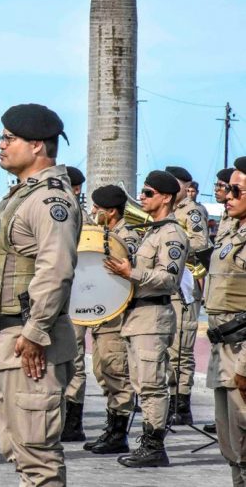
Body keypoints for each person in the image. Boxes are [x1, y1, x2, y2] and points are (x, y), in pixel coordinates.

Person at [0, 103, 80, 486]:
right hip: (11, 339)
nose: (1, 145)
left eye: (8, 138)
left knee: (38, 455)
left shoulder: (50, 201)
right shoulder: (23, 195)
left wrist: (35, 333)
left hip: (31, 342)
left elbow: (57, 271)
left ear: (37, 145)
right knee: (19, 450)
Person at [104, 170, 189, 467]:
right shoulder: (152, 231)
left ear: (165, 197)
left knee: (152, 385)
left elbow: (169, 279)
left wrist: (132, 273)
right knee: (142, 383)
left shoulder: (171, 234)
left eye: (148, 193)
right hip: (138, 316)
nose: (142, 197)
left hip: (153, 315)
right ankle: (148, 443)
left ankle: (154, 447)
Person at [82, 185, 138, 454]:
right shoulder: (106, 234)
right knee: (103, 370)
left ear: (111, 212)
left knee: (116, 372)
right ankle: (111, 427)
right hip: (102, 315)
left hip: (116, 317)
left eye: (97, 208)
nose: (93, 212)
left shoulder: (127, 237)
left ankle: (119, 434)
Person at [204, 156, 246, 486]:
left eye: (236, 190)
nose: (227, 195)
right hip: (224, 348)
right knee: (231, 444)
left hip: (242, 351)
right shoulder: (235, 230)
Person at [165, 165, 209, 425]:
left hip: (186, 284)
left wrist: (172, 243)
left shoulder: (190, 211)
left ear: (183, 186)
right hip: (169, 284)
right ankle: (170, 399)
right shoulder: (169, 210)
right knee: (169, 346)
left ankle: (182, 405)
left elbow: (201, 243)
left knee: (182, 347)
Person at [62, 165, 94, 442]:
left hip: (75, 295)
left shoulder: (77, 216)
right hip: (63, 295)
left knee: (74, 358)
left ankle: (73, 423)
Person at [216, 168, 237, 238]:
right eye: (216, 185)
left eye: (221, 185)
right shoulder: (226, 213)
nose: (216, 189)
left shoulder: (238, 216)